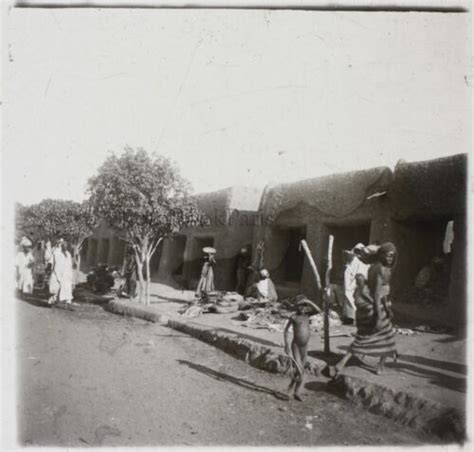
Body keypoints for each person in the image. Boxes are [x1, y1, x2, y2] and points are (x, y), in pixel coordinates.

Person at [330, 242, 398, 377]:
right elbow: (378, 294)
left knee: (363, 338)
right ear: (381, 255)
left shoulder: (376, 267)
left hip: (368, 309)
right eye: (388, 256)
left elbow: (381, 293)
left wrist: (385, 308)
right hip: (374, 308)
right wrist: (380, 314)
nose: (390, 259)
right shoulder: (381, 270)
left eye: (392, 256)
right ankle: (380, 368)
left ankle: (341, 364)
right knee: (387, 338)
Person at [283, 298, 318, 401]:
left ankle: (296, 391)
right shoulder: (294, 317)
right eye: (300, 305)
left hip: (305, 347)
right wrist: (286, 345)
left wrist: (309, 300)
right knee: (299, 369)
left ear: (307, 308)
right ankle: (291, 390)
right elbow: (285, 331)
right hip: (296, 346)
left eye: (304, 306)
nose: (302, 308)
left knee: (301, 370)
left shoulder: (307, 316)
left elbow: (319, 310)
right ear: (296, 306)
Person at [342, 249, 369, 325]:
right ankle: (350, 318)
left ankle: (356, 319)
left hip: (355, 282)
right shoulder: (354, 261)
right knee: (349, 297)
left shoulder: (359, 262)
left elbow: (360, 273)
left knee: (352, 298)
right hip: (351, 282)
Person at [49, 240, 74, 309]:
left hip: (66, 274)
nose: (65, 246)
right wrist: (50, 271)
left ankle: (68, 304)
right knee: (56, 289)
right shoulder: (56, 253)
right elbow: (51, 263)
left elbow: (70, 266)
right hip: (57, 273)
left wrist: (71, 276)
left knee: (68, 289)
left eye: (66, 245)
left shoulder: (68, 254)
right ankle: (53, 302)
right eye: (63, 245)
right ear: (61, 246)